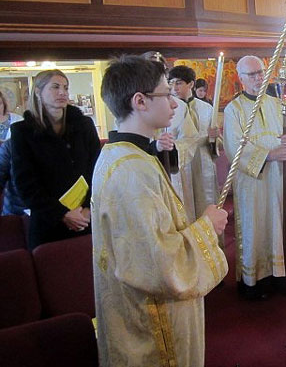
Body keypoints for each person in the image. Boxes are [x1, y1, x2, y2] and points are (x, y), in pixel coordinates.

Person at [92, 55, 228, 367]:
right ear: (139, 101)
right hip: (151, 327)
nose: (175, 103)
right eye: (166, 94)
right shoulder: (131, 172)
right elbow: (158, 263)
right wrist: (208, 226)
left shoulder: (125, 155)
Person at [223, 55, 286, 299]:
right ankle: (253, 282)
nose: (259, 77)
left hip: (279, 179)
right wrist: (269, 155)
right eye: (252, 74)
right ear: (241, 78)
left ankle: (282, 275)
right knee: (255, 227)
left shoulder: (278, 104)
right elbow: (233, 148)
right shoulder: (233, 109)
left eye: (261, 72)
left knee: (280, 223)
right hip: (253, 182)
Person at [11, 70, 100, 250]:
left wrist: (88, 209)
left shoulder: (84, 126)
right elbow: (26, 185)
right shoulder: (22, 131)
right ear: (38, 91)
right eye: (55, 87)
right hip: (48, 223)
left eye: (66, 88)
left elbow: (97, 171)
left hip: (85, 218)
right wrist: (62, 214)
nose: (63, 92)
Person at [169, 66, 219, 225]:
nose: (174, 88)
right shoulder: (169, 109)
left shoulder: (206, 108)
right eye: (171, 83)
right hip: (181, 164)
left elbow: (217, 143)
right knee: (185, 206)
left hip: (203, 160)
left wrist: (214, 138)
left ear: (191, 84)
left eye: (179, 83)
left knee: (206, 202)